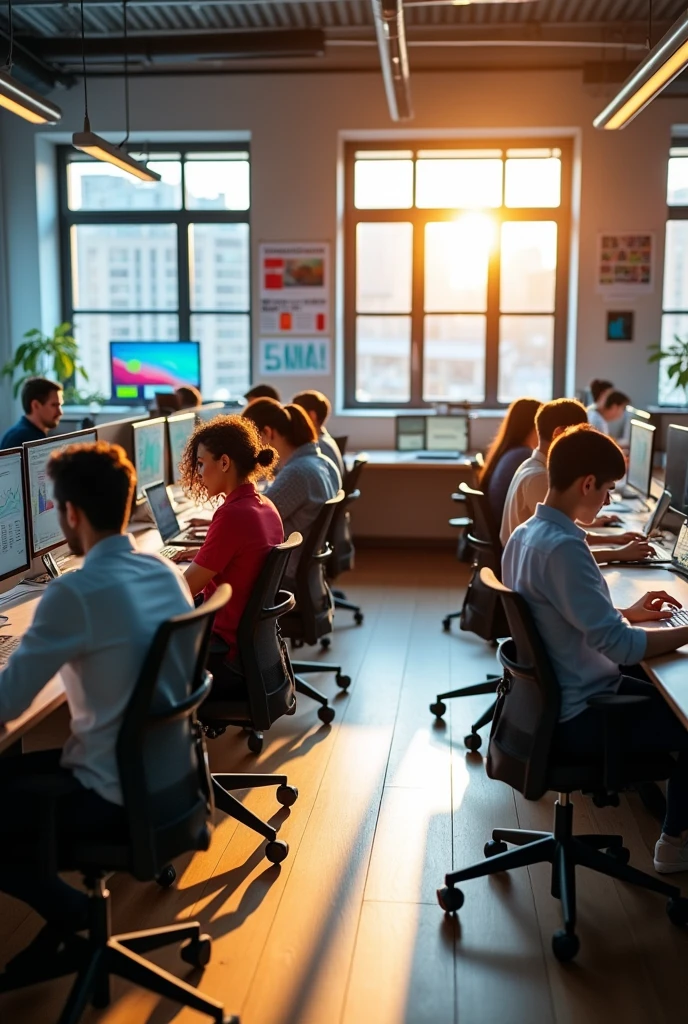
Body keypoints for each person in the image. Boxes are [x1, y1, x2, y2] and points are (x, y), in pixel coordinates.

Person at [0, 441, 194, 965]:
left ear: (70, 514)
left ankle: (71, 913)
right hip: (171, 779)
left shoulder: (75, 594)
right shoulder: (164, 571)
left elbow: (8, 703)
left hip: (108, 795)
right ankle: (68, 913)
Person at [502, 425, 688, 873]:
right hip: (582, 715)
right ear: (587, 483)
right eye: (606, 490)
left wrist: (627, 611)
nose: (607, 500)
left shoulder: (526, 536)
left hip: (547, 704)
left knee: (657, 682)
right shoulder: (566, 547)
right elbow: (621, 648)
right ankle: (675, 843)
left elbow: (563, 619)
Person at [169, 416, 284, 696]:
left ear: (224, 462)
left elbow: (184, 590)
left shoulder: (232, 515)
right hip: (251, 649)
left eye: (200, 462)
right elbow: (245, 556)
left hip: (222, 651)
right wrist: (205, 552)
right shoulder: (264, 505)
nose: (197, 472)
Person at [500, 398, 649, 565]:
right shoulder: (539, 477)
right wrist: (618, 553)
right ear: (559, 433)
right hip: (534, 563)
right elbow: (567, 551)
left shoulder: (531, 465)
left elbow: (568, 531)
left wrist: (614, 539)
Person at [242, 398, 340, 581]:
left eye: (250, 441)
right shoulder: (320, 462)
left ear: (267, 433)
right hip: (303, 571)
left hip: (282, 574)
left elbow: (253, 522)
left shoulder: (297, 473)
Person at [477, 397, 541, 525]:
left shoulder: (509, 452)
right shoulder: (522, 456)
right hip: (510, 533)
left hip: (502, 528)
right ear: (533, 425)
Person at [292, 389, 345, 478]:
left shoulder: (319, 447)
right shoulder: (325, 440)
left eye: (296, 415)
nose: (292, 421)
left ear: (312, 416)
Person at [0, 377, 63, 449]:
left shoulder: (36, 435)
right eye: (54, 405)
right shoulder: (16, 441)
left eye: (60, 405)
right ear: (35, 405)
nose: (60, 412)